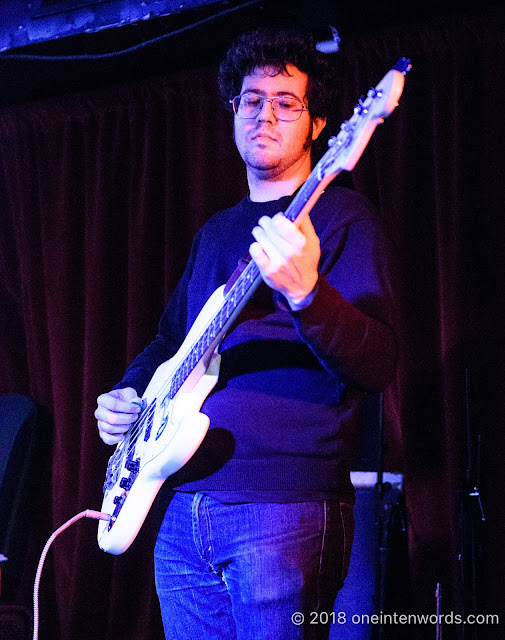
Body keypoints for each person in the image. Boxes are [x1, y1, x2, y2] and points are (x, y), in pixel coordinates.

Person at [95, 26, 398, 640]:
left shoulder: (344, 219)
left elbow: (378, 363)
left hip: (282, 505)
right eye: (251, 100)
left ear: (320, 127)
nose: (265, 115)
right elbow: (169, 340)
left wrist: (307, 293)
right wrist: (126, 395)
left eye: (286, 102)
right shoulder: (216, 232)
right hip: (180, 503)